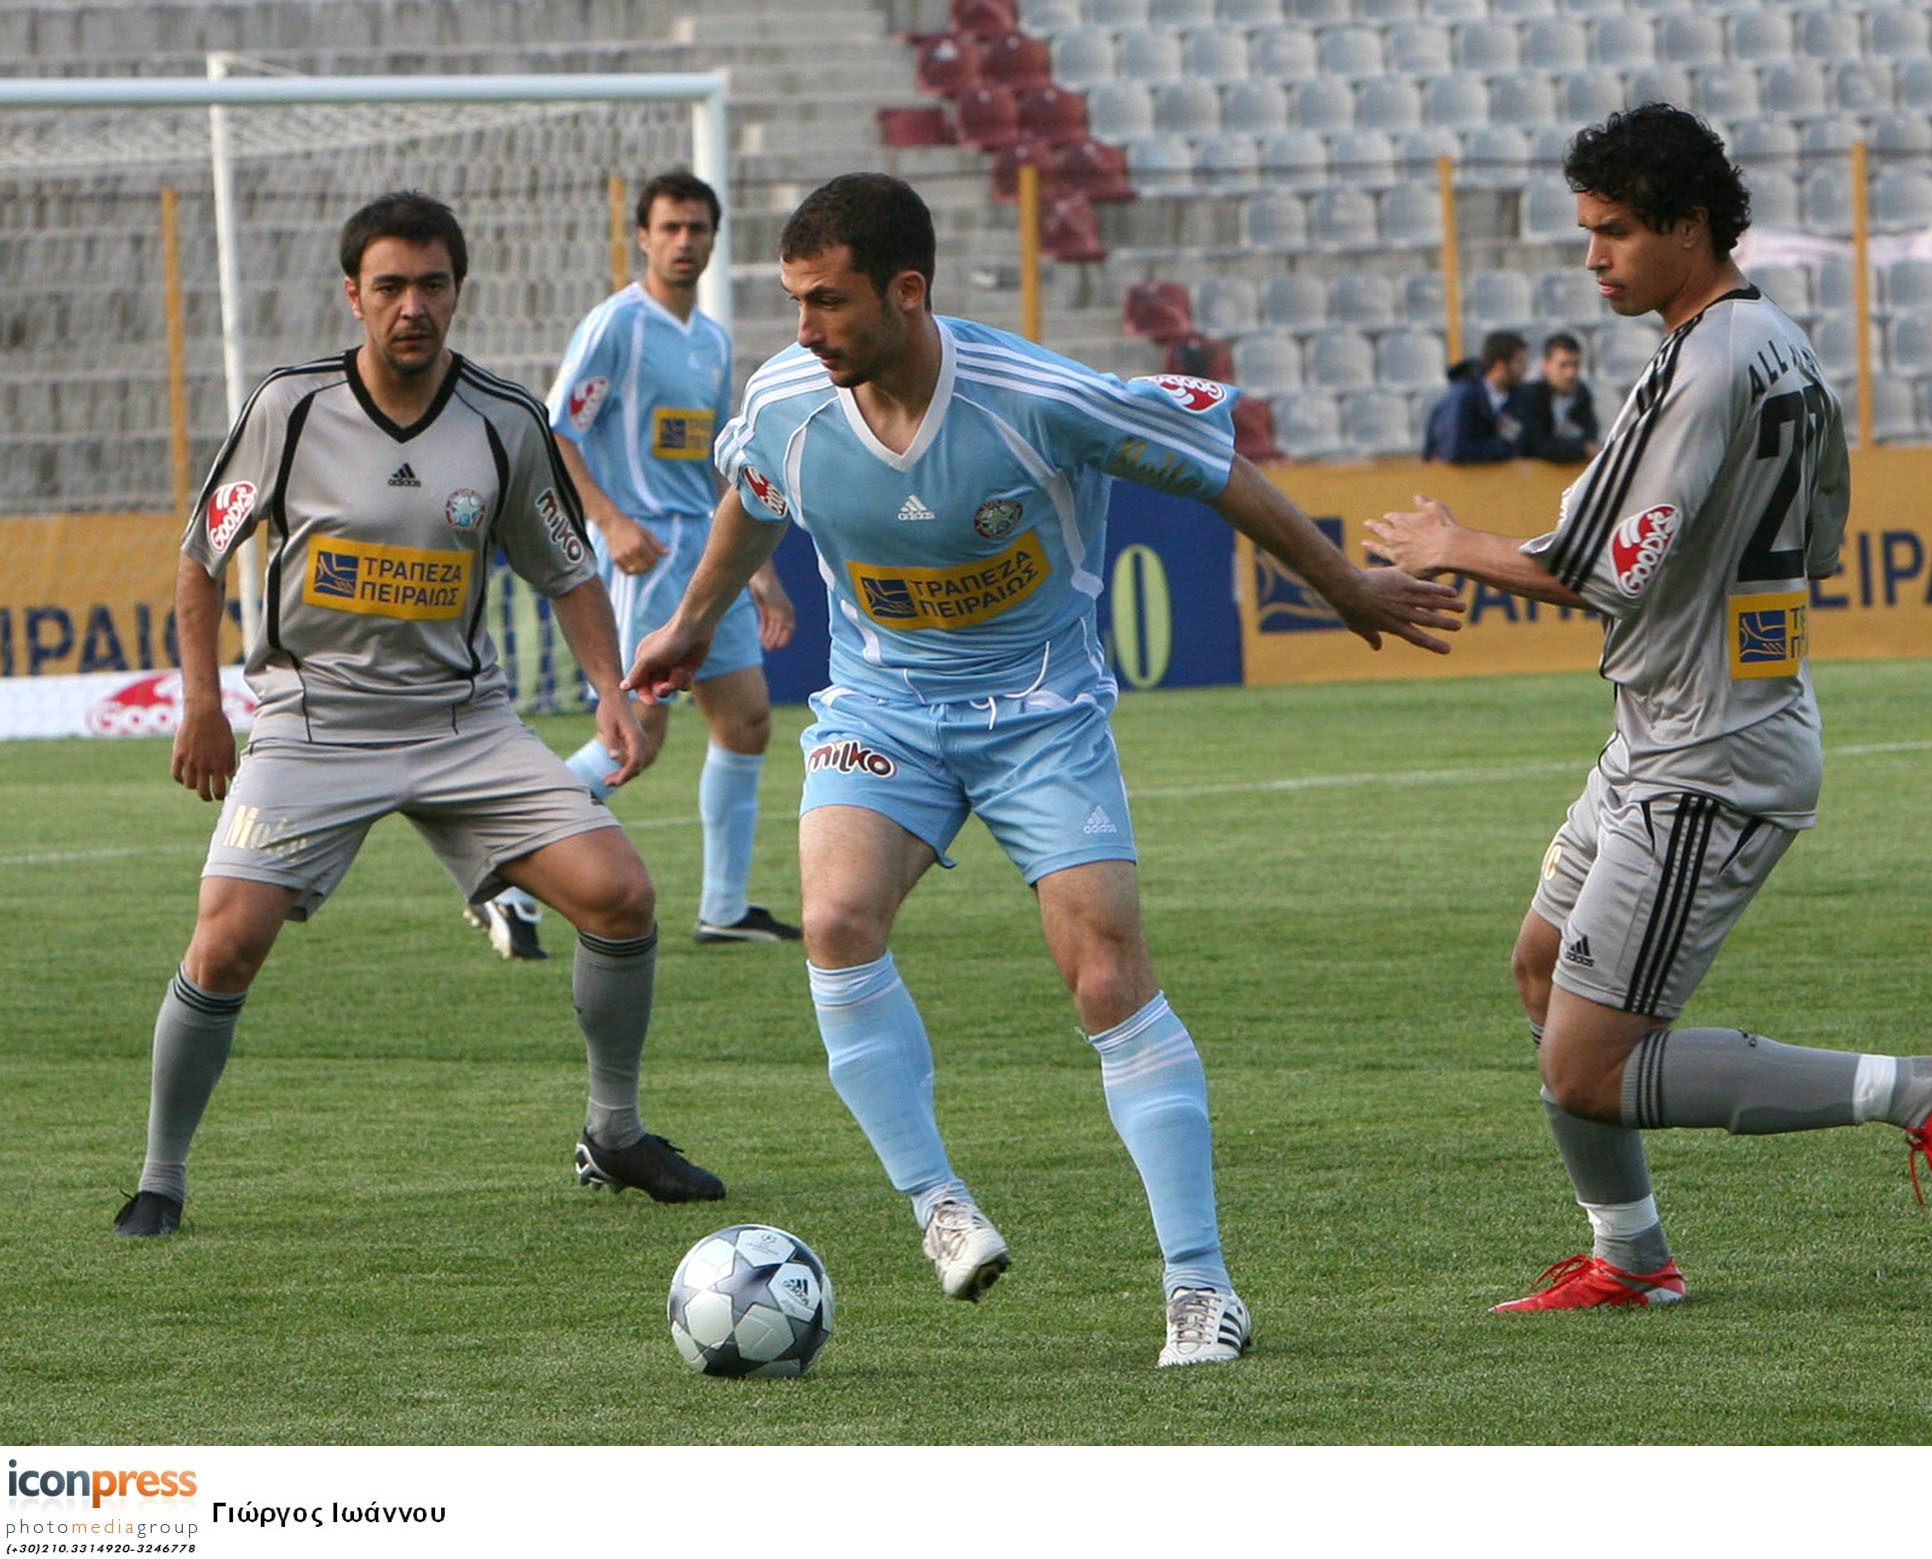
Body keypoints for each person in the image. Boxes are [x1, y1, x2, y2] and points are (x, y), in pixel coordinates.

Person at [626, 173, 1464, 1364]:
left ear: (907, 291)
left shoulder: (1037, 396)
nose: (804, 330)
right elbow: (750, 501)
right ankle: (939, 1205)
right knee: (833, 917)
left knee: (1104, 978)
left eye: (827, 303)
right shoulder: (784, 402)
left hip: (1041, 714)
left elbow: (1211, 466)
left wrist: (1340, 584)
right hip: (884, 706)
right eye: (794, 303)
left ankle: (1200, 1283)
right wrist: (687, 617)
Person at [1370, 105, 1932, 1310]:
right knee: (1540, 966)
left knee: (1588, 1068)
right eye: (1587, 233)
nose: (1593, 256)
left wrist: (1455, 542)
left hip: (1708, 753)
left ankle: (1925, 1090)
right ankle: (1631, 1257)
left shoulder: (1704, 364)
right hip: (1671, 721)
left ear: (1689, 226)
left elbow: (1605, 565)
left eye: (1613, 232)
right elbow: (1818, 535)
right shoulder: (1777, 342)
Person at [114, 191, 726, 1238]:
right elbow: (199, 557)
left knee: (620, 896)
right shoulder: (290, 407)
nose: (412, 306)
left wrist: (610, 693)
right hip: (312, 724)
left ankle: (614, 1132)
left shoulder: (504, 420)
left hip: (462, 723)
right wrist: (203, 704)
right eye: (389, 285)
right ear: (352, 294)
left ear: (457, 292)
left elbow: (569, 571)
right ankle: (160, 1177)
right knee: (224, 944)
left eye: (432, 284)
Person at [468, 168, 800, 961]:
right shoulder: (617, 325)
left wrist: (755, 567)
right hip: (645, 551)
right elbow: (556, 427)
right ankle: (506, 868)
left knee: (747, 718)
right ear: (644, 238)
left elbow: (726, 456)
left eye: (698, 228)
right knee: (635, 737)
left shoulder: (713, 339)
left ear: (715, 239)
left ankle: (724, 905)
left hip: (705, 550)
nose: (686, 241)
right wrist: (608, 519)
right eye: (672, 228)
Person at [1421, 329, 1527, 464]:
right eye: (1520, 362)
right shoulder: (1462, 397)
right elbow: (1453, 450)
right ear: (1500, 365)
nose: (1525, 368)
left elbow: (1514, 444)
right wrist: (1499, 450)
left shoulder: (1517, 398)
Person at [1509, 331, 1600, 464]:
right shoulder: (1529, 396)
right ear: (1546, 365)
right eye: (1563, 365)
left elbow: (1590, 436)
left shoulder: (1582, 394)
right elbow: (1534, 445)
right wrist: (1580, 449)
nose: (1571, 373)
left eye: (1575, 365)